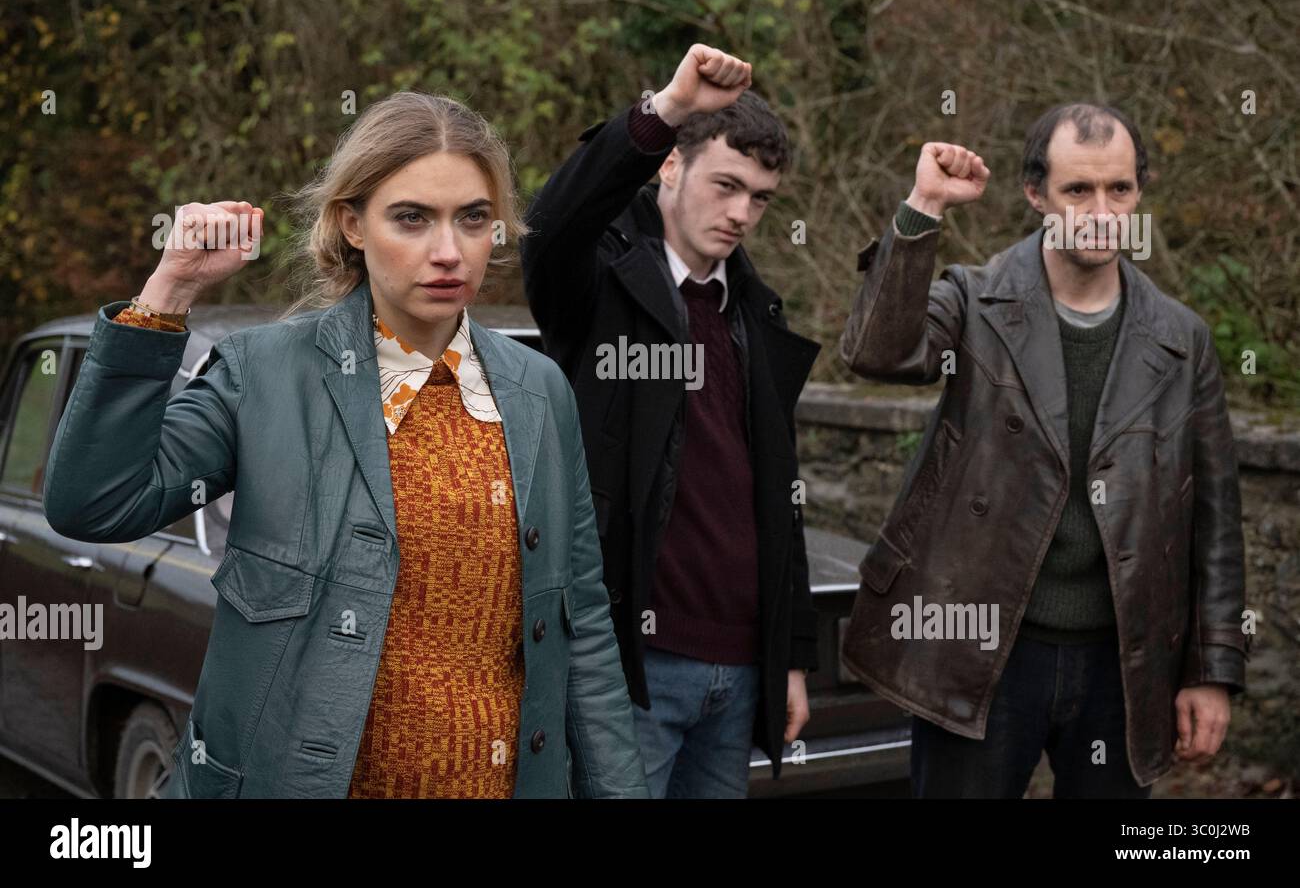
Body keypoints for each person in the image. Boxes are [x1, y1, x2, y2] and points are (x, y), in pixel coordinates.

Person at [43, 91, 648, 799]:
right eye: (412, 218)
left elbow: (583, 629)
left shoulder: (539, 390)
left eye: (474, 219)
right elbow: (94, 504)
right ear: (351, 224)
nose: (448, 251)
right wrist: (168, 291)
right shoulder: (265, 375)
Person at [838, 103, 1248, 798]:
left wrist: (1212, 670)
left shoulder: (1182, 340)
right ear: (1036, 194)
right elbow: (878, 352)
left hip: (1122, 665)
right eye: (1077, 190)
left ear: (1139, 192)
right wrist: (924, 207)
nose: (1100, 210)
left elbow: (1214, 521)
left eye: (1119, 189)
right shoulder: (974, 301)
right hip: (980, 653)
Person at [519, 45, 820, 798]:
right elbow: (552, 224)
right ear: (671, 169)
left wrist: (789, 655)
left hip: (741, 676)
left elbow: (780, 497)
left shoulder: (756, 315)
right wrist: (668, 112)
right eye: (727, 187)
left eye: (760, 198)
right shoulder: (599, 289)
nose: (743, 214)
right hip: (630, 670)